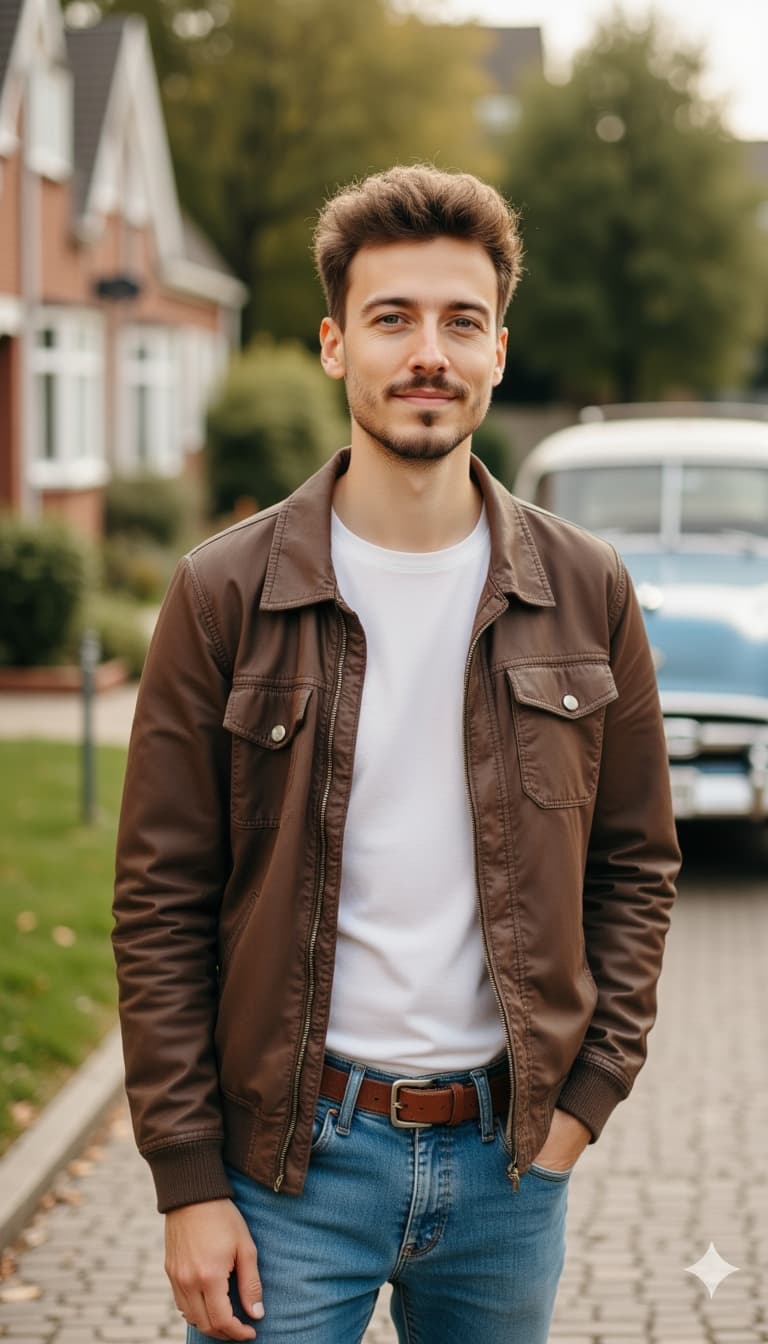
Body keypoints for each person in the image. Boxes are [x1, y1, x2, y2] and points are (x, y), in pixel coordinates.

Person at [113, 164, 680, 1344]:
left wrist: (584, 1103)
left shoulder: (587, 589)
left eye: (460, 321)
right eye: (393, 318)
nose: (430, 351)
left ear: (499, 353)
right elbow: (161, 900)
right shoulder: (222, 596)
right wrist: (189, 1179)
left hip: (506, 1175)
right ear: (334, 345)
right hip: (288, 1170)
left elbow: (636, 865)